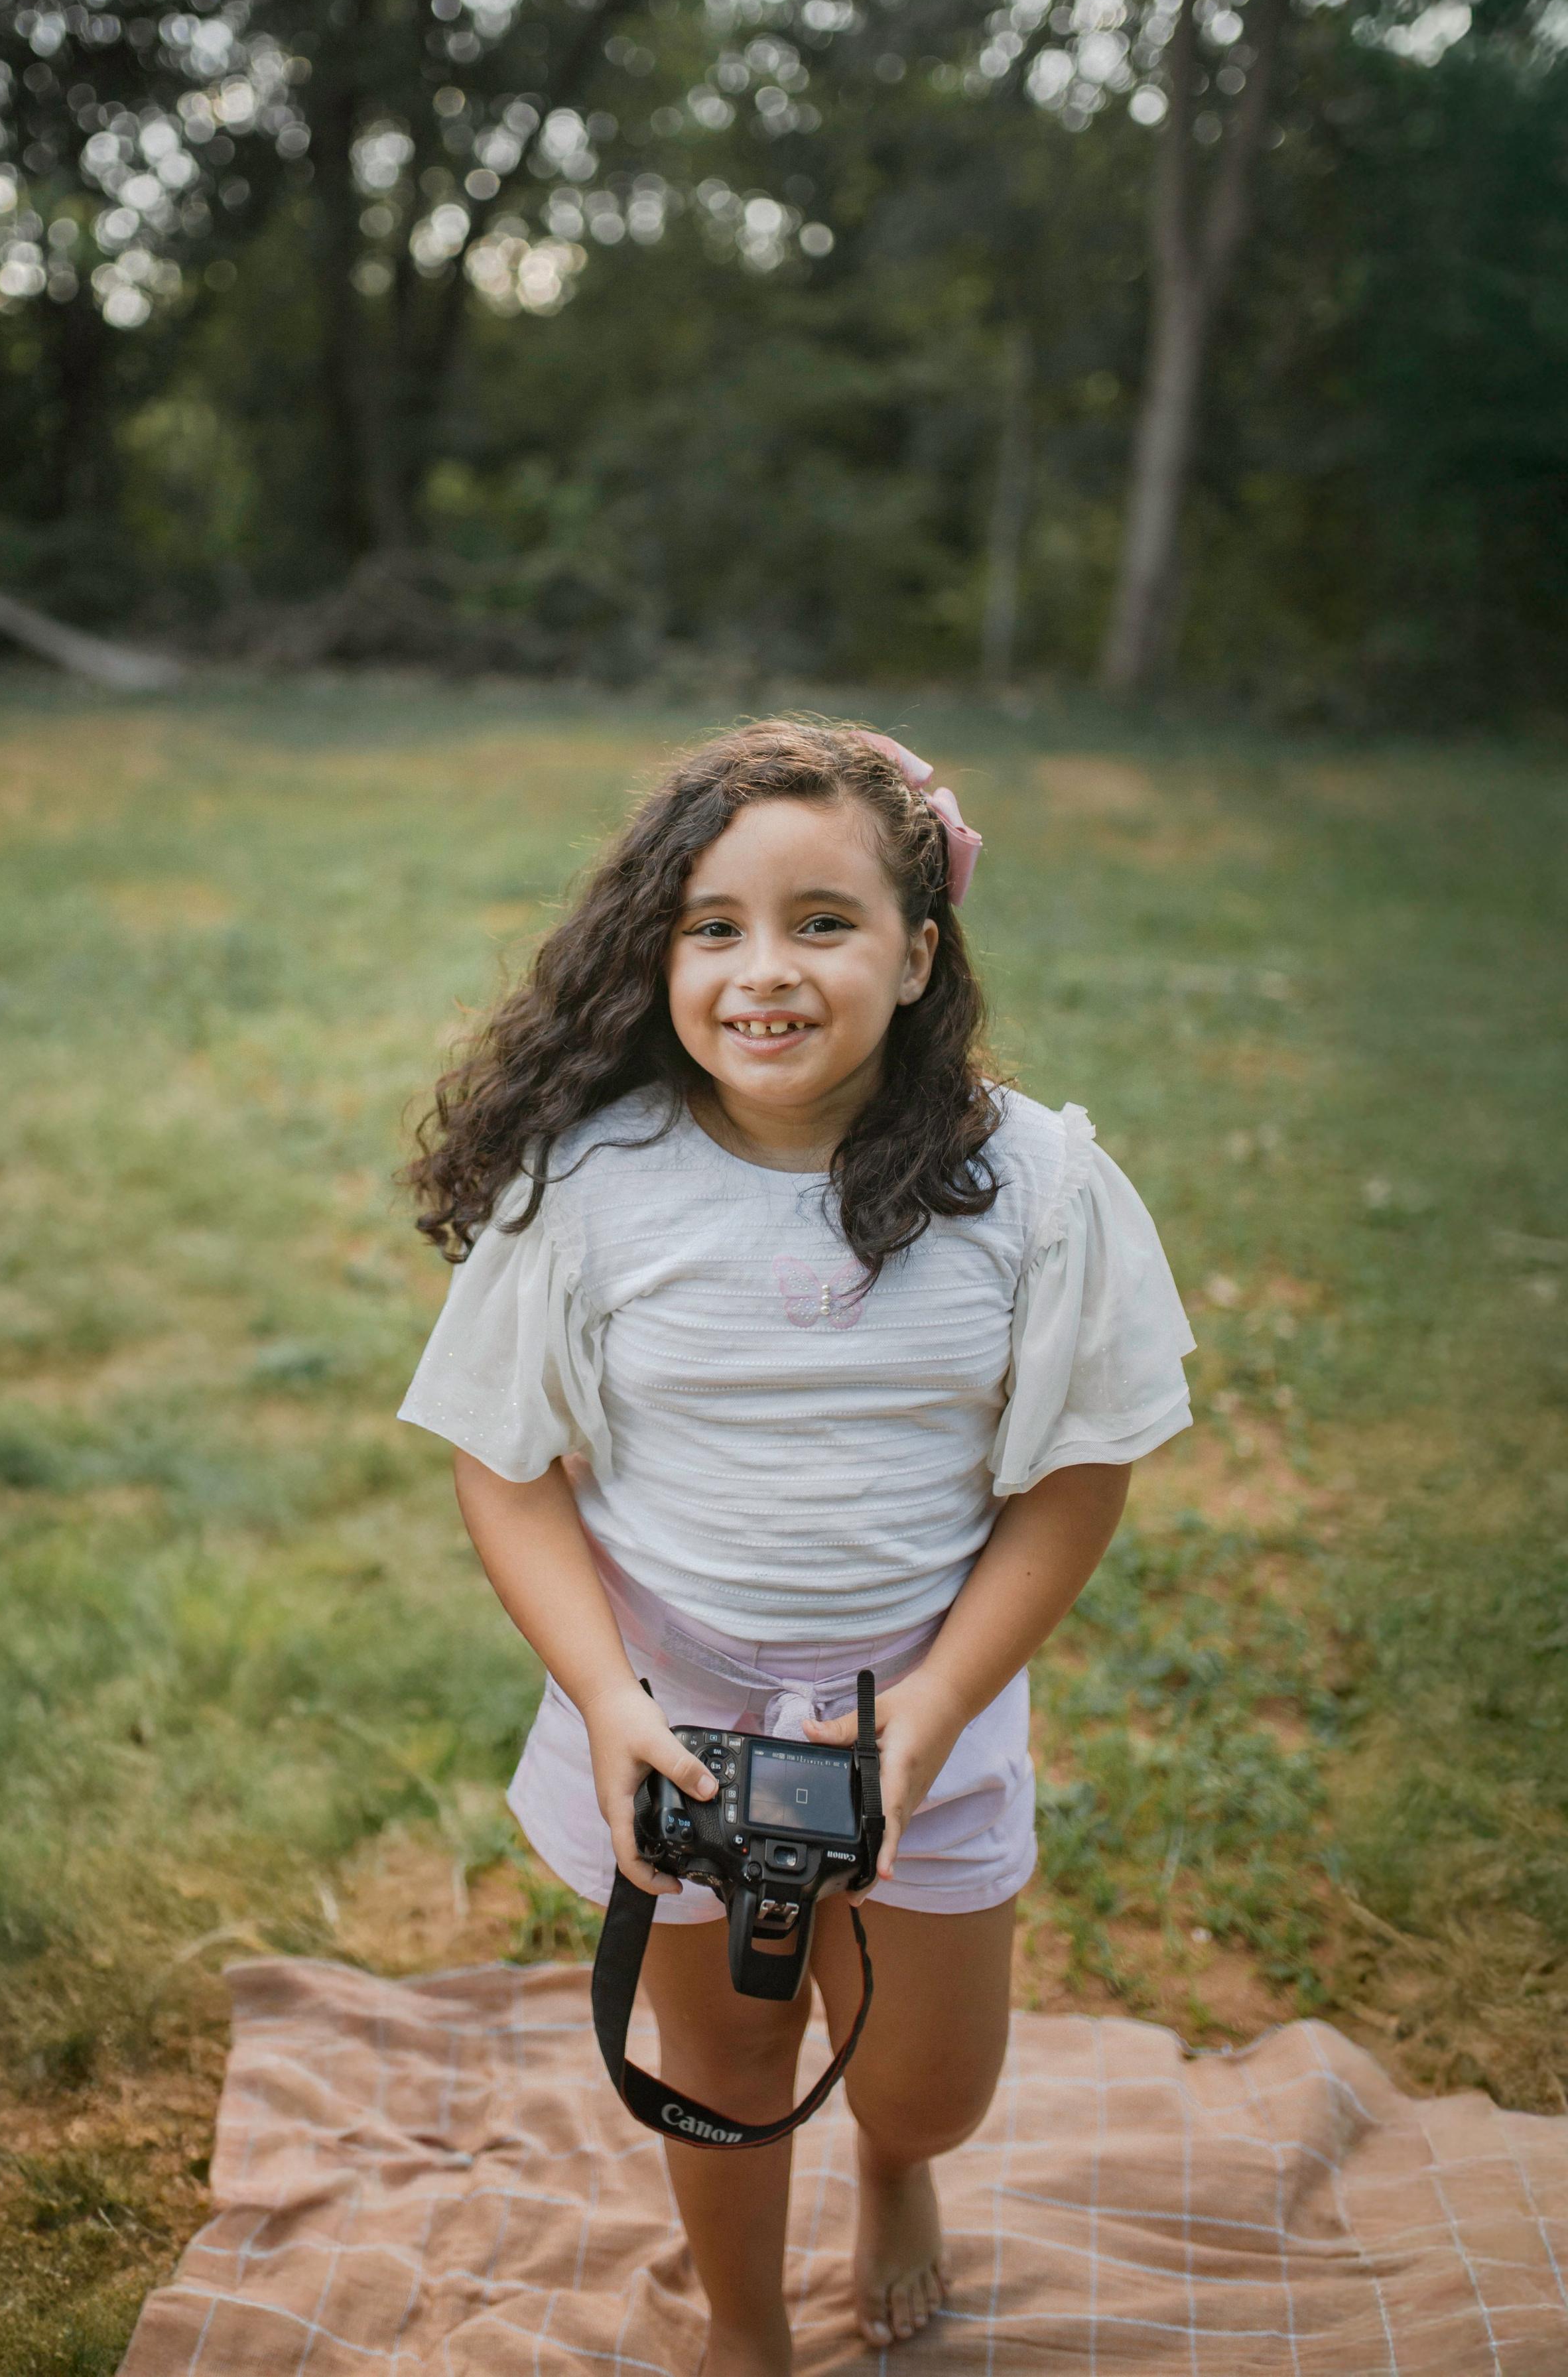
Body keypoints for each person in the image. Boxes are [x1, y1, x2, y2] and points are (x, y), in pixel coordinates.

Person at [399, 718, 1194, 2376]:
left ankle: (896, 2168)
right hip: (669, 1729)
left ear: (917, 952)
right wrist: (610, 1700)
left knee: (925, 2080)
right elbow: (508, 1463)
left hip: (923, 1713)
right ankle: (745, 2331)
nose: (763, 969)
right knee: (727, 2057)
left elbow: (1078, 1473)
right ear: (657, 953)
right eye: (714, 926)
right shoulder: (592, 1180)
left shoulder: (1031, 1184)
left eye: (819, 921)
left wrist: (932, 1711)